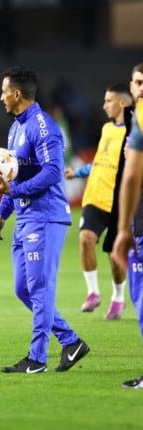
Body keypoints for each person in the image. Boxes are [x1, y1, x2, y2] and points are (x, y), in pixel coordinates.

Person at [0, 66, 89, 373]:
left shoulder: (43, 126)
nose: (1, 96)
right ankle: (71, 342)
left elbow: (52, 172)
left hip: (45, 218)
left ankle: (37, 358)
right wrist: (2, 211)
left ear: (17, 94)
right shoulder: (16, 128)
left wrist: (15, 191)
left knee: (40, 287)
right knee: (23, 288)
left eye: (4, 91)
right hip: (24, 217)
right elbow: (12, 177)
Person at [64, 84, 133, 318]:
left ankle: (118, 296)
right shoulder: (106, 128)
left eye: (109, 101)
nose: (104, 105)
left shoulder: (135, 133)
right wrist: (79, 172)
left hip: (118, 201)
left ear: (123, 103)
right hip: (95, 196)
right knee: (85, 239)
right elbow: (100, 162)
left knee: (115, 256)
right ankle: (93, 292)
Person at [110, 62, 143, 389]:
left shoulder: (140, 121)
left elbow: (132, 176)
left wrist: (123, 230)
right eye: (138, 82)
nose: (141, 88)